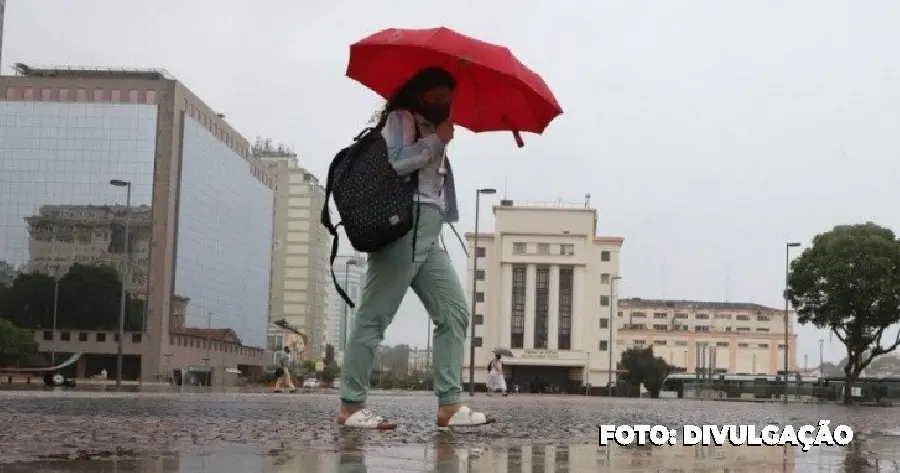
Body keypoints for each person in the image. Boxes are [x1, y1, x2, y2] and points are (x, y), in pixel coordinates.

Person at [337, 67, 495, 430]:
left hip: (431, 227)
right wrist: (437, 141)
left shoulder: (431, 125)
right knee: (375, 315)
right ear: (421, 92)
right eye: (439, 95)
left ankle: (450, 406)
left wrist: (441, 139)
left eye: (449, 96)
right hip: (405, 224)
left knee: (453, 312)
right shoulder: (401, 117)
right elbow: (398, 162)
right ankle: (351, 406)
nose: (445, 101)